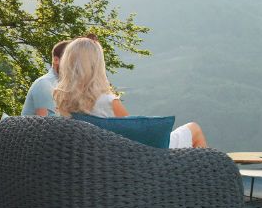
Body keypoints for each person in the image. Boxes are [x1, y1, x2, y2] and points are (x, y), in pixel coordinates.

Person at [53, 37, 208, 148]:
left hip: (98, 162)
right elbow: (134, 133)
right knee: (194, 129)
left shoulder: (64, 102)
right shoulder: (107, 101)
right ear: (97, 65)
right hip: (136, 160)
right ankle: (208, 187)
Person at [21, 40, 72, 116]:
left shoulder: (66, 86)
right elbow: (46, 125)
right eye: (70, 60)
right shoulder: (44, 84)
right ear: (56, 60)